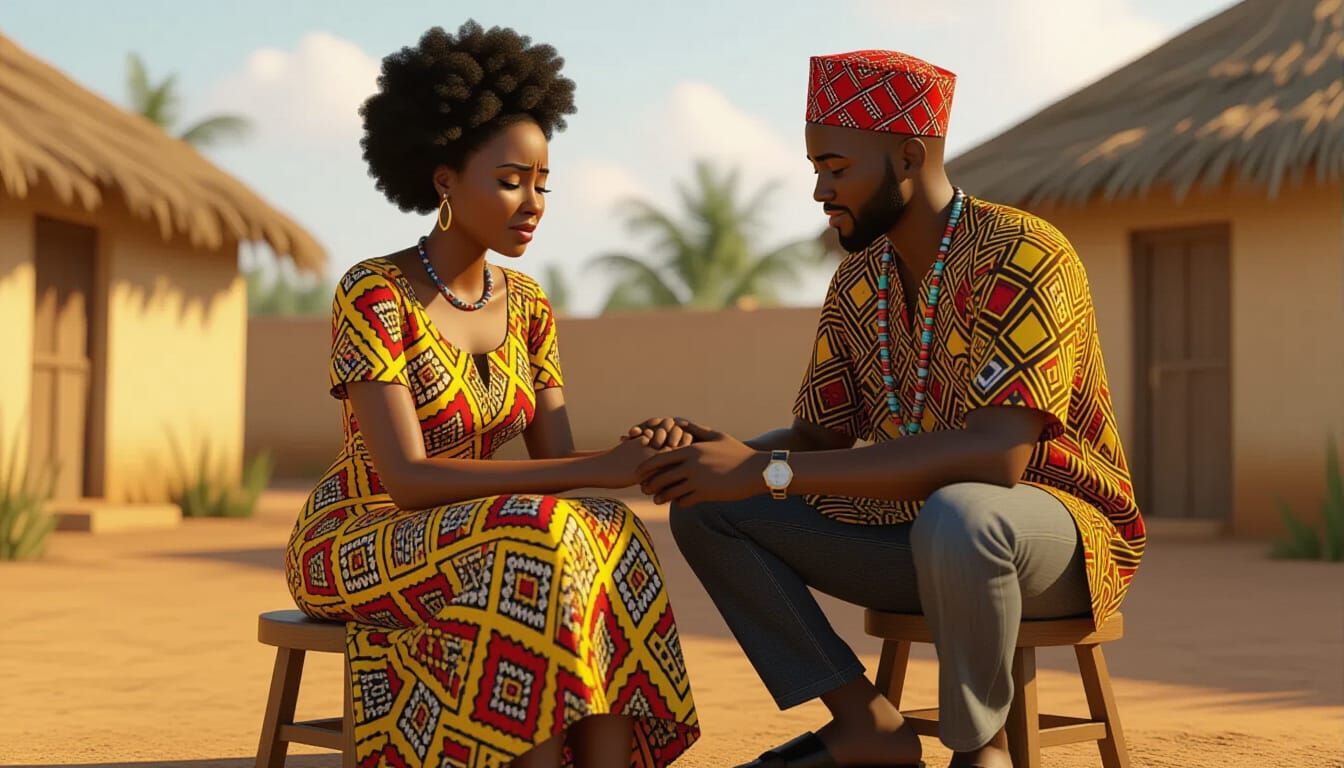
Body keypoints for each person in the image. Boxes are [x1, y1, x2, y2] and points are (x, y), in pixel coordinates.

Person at [629, 50, 1144, 768]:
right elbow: (820, 439)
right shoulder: (857, 281)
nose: (818, 189)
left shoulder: (1025, 254)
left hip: (1051, 538)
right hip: (912, 534)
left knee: (964, 514)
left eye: (835, 168)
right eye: (815, 168)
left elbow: (998, 458)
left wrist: (767, 471)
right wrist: (726, 459)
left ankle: (980, 749)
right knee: (706, 508)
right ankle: (867, 726)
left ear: (908, 156)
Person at [285, 22, 699, 768]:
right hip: (359, 533)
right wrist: (600, 465)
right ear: (445, 179)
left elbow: (565, 472)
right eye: (512, 180)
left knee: (607, 527)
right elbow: (407, 482)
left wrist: (629, 459)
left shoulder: (531, 305)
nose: (533, 201)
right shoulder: (374, 294)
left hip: (485, 533)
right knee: (536, 538)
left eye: (543, 183)